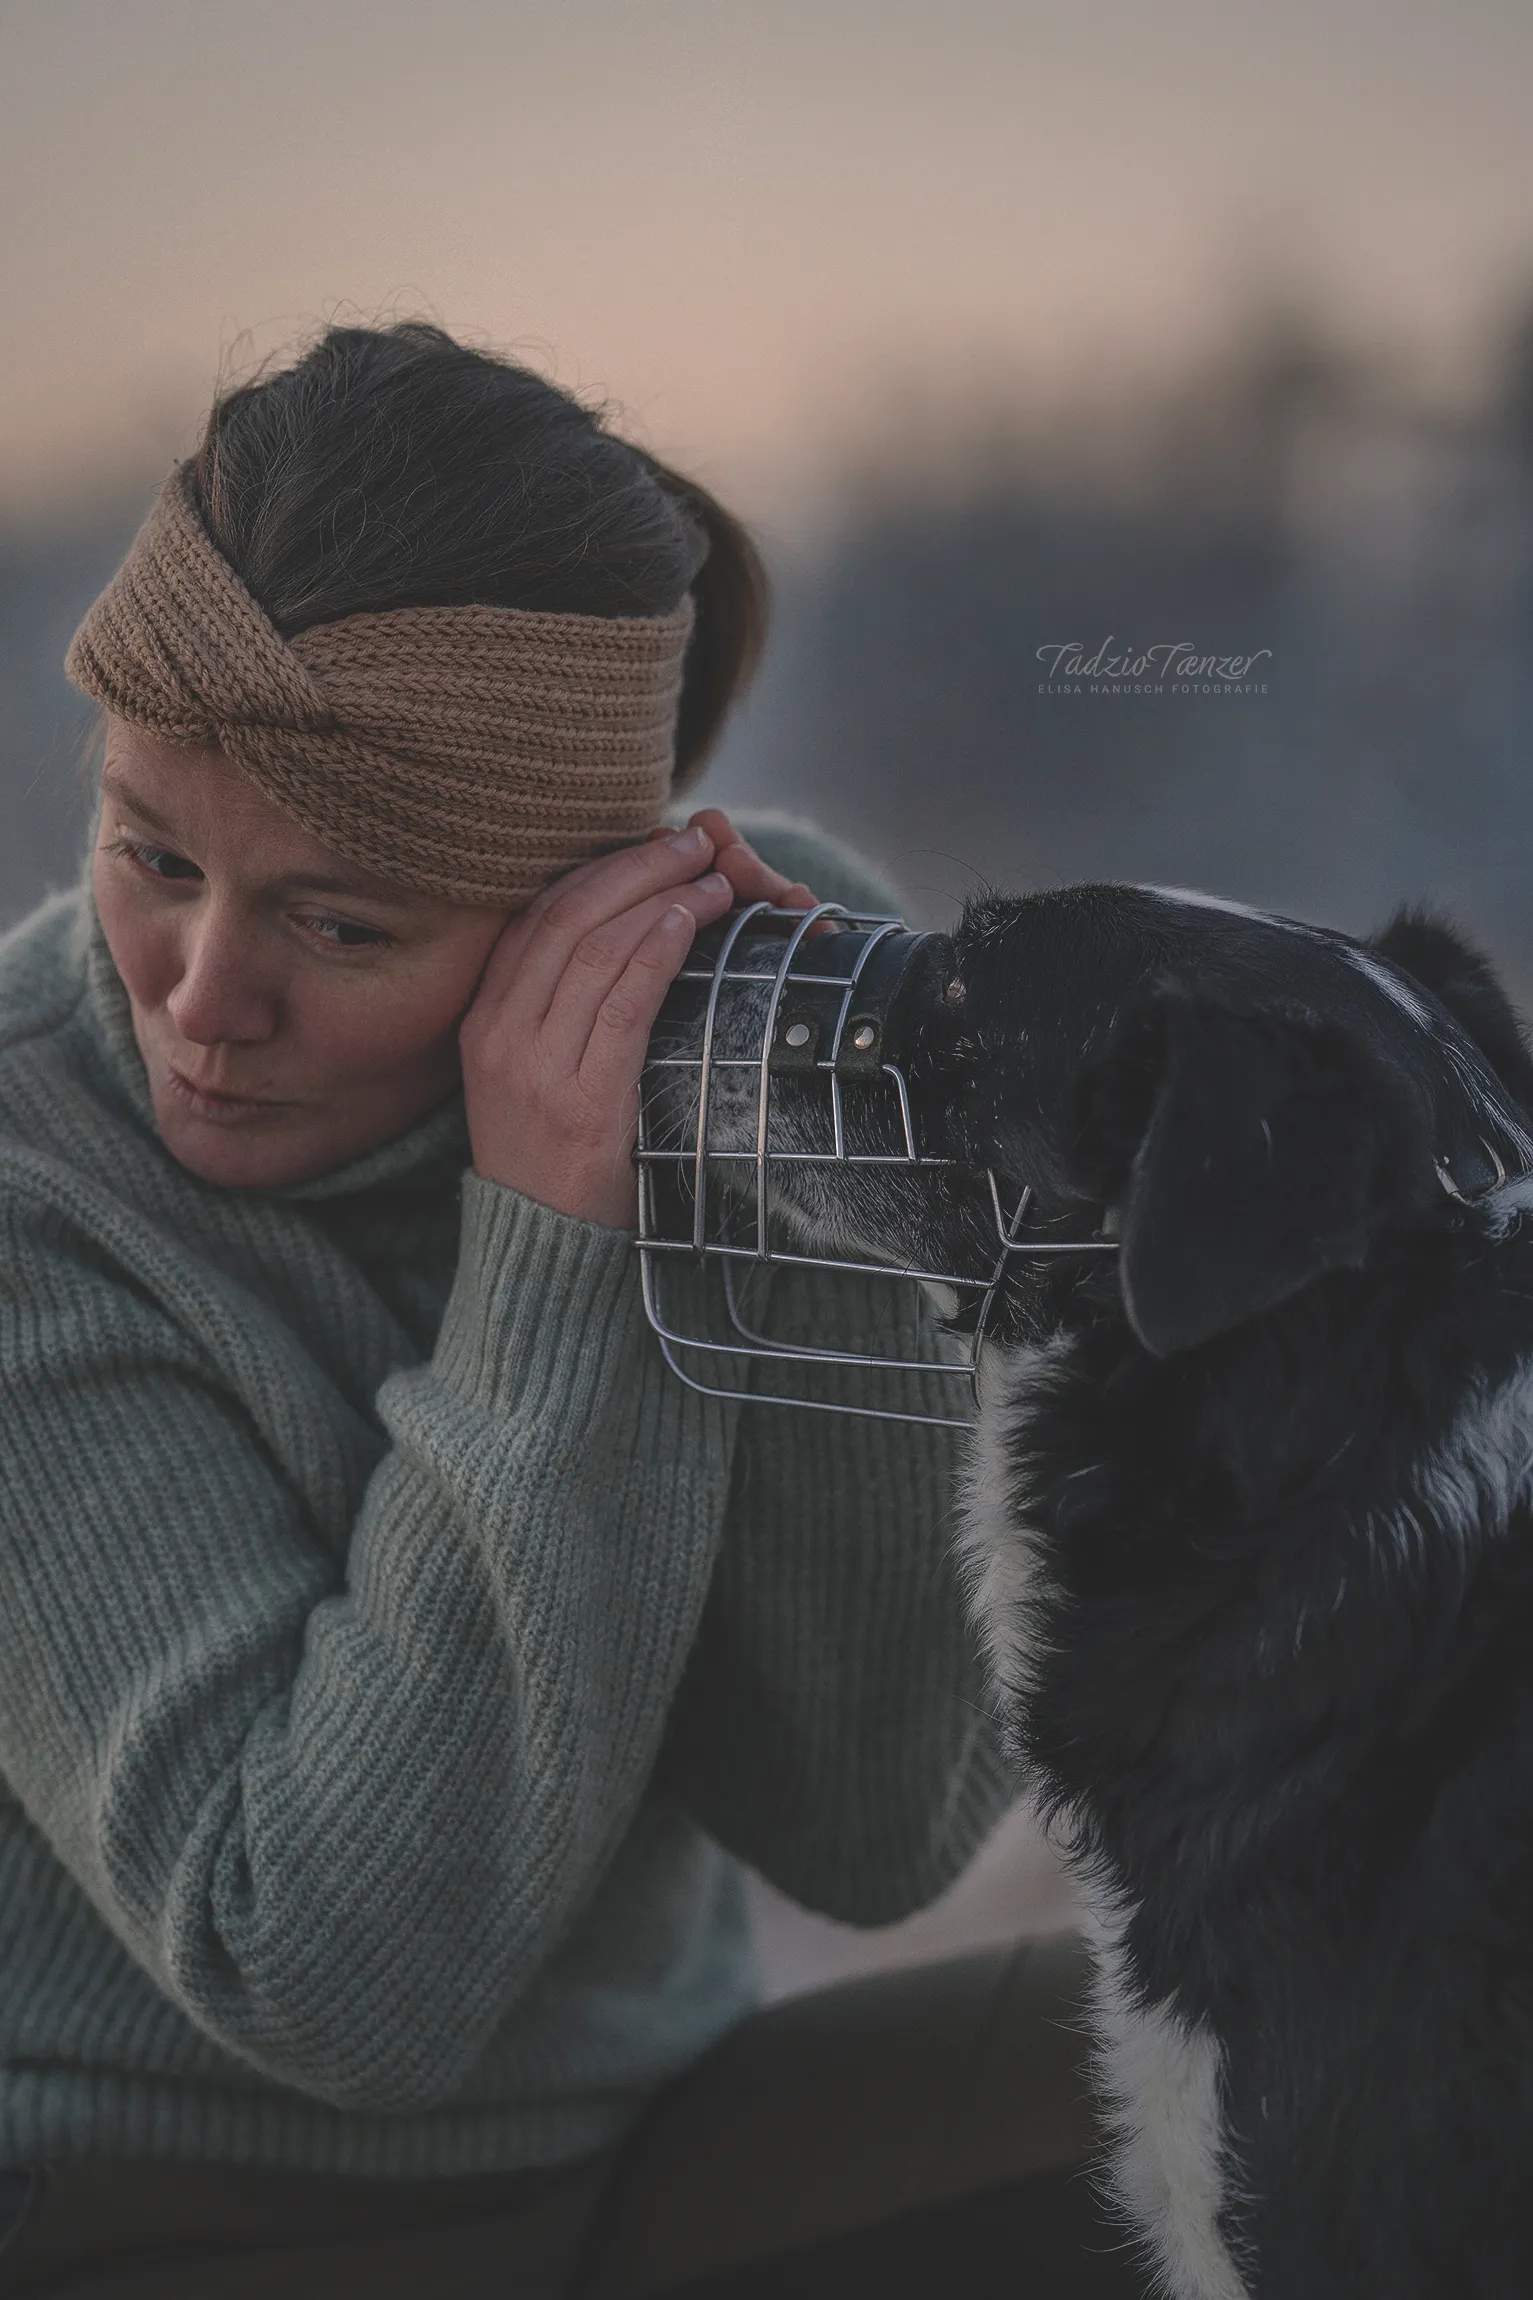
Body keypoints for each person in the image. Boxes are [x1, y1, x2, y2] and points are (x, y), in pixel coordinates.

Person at [0, 323, 1136, 2297]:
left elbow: (874, 1826)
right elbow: (334, 1977)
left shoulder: (738, 1011)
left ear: (573, 895)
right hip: (138, 2224)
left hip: (651, 2161)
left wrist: (797, 1125)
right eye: (147, 854)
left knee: (1347, 2030)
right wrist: (552, 1244)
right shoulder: (36, 1176)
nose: (199, 997)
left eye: (338, 920)